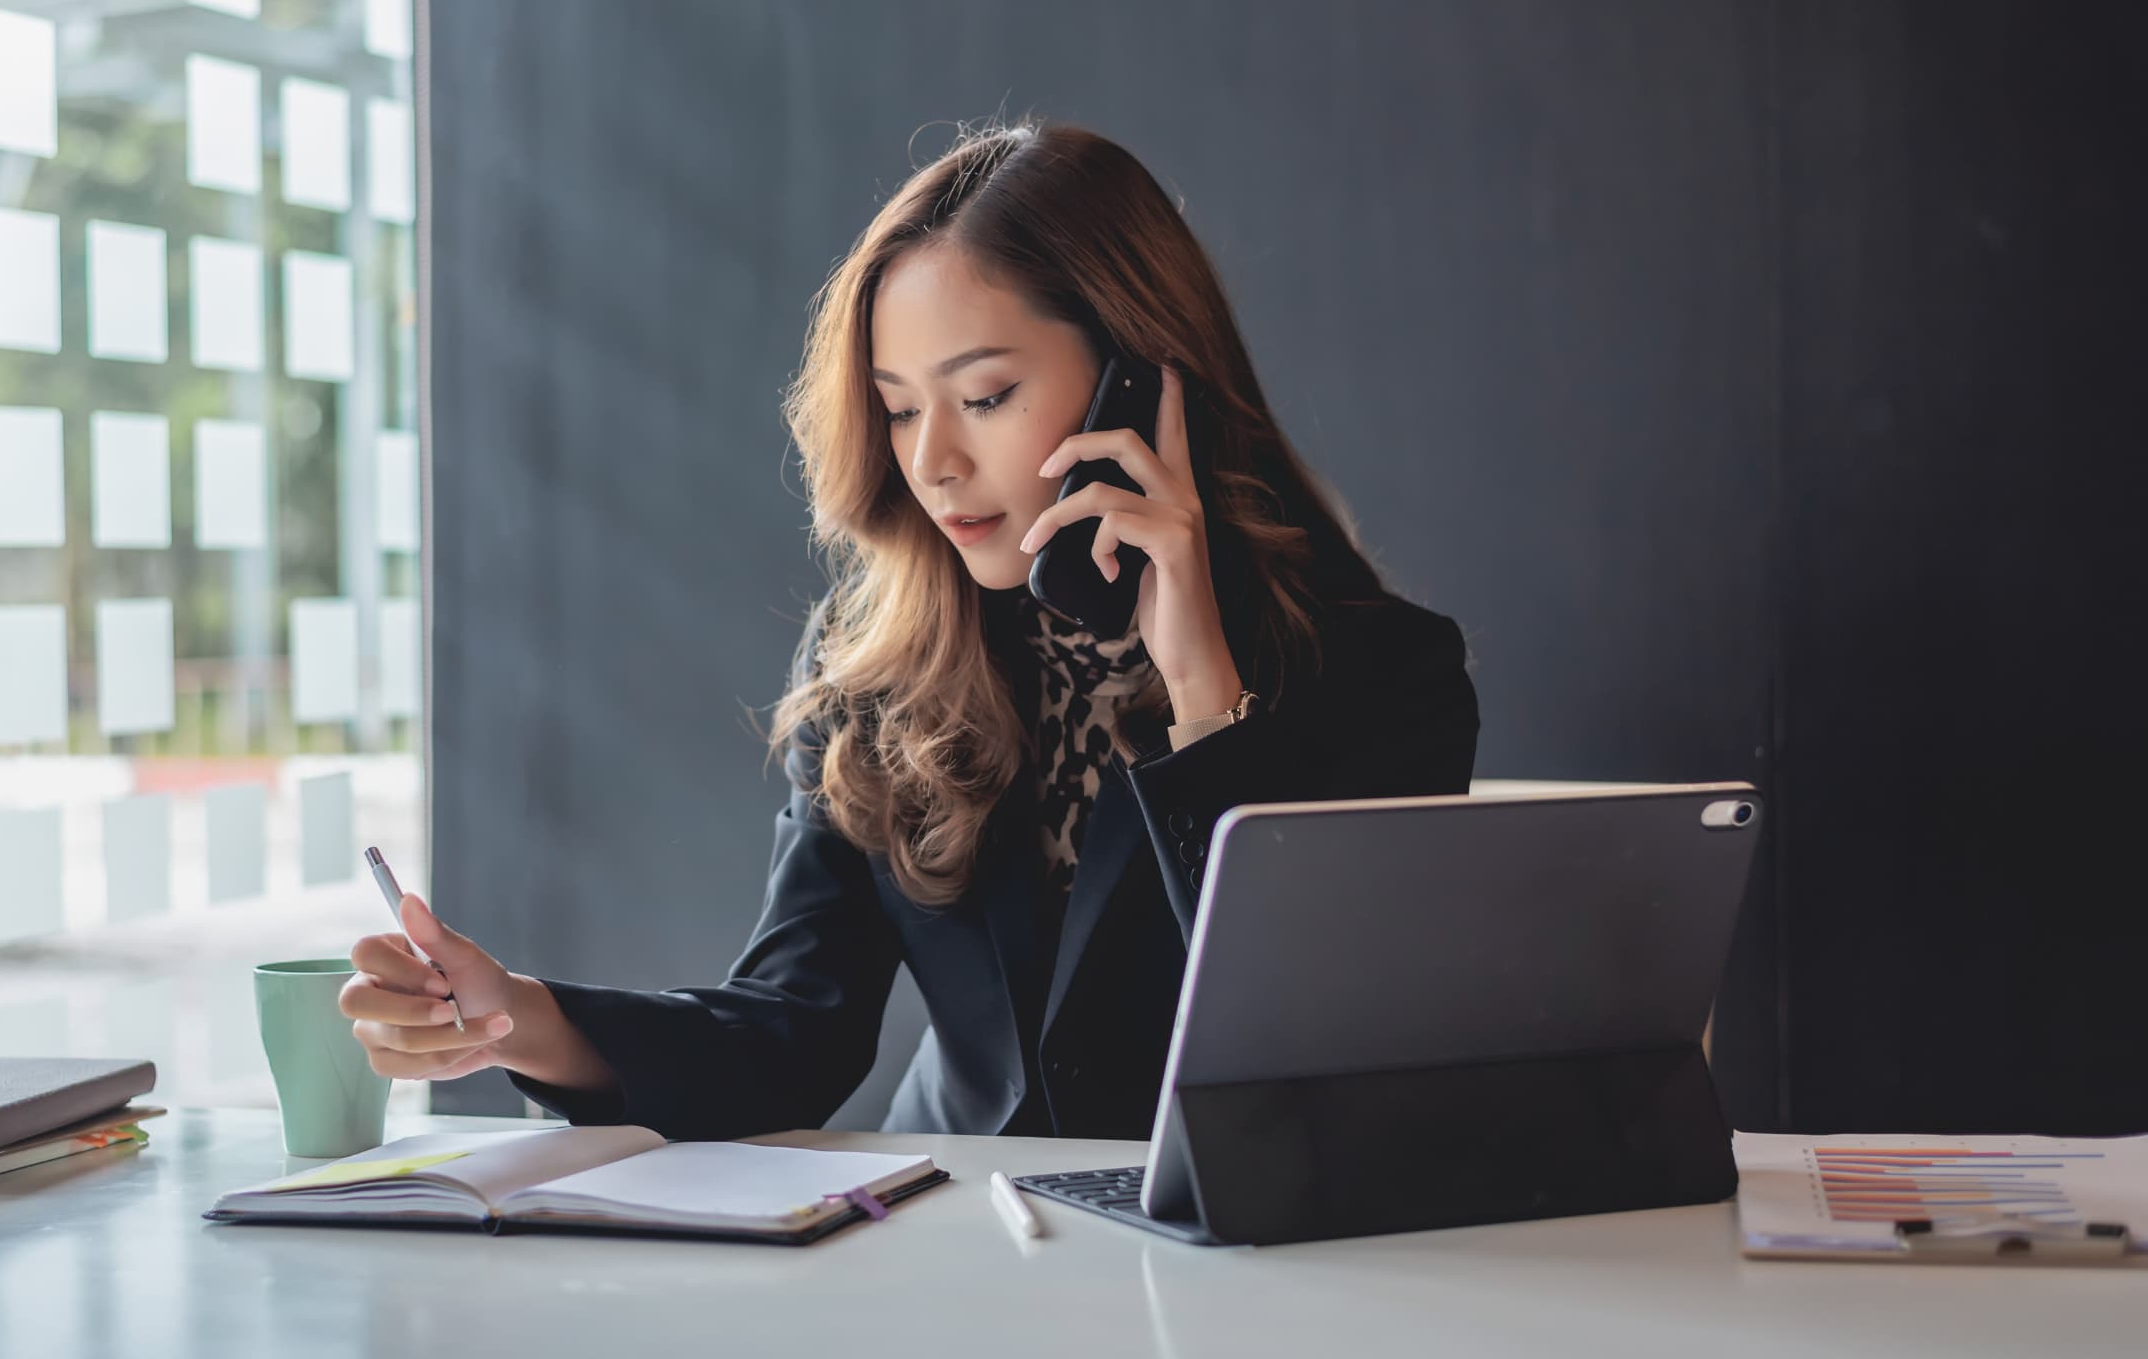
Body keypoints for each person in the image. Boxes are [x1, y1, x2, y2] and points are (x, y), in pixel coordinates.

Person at [342, 120, 1479, 1140]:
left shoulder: (1386, 674)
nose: (932, 463)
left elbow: (1316, 1049)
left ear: (1138, 382)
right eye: (896, 408)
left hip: (1231, 1270)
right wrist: (518, 1018)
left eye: (982, 397)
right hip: (952, 1250)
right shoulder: (879, 664)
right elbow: (790, 1032)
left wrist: (1199, 686)